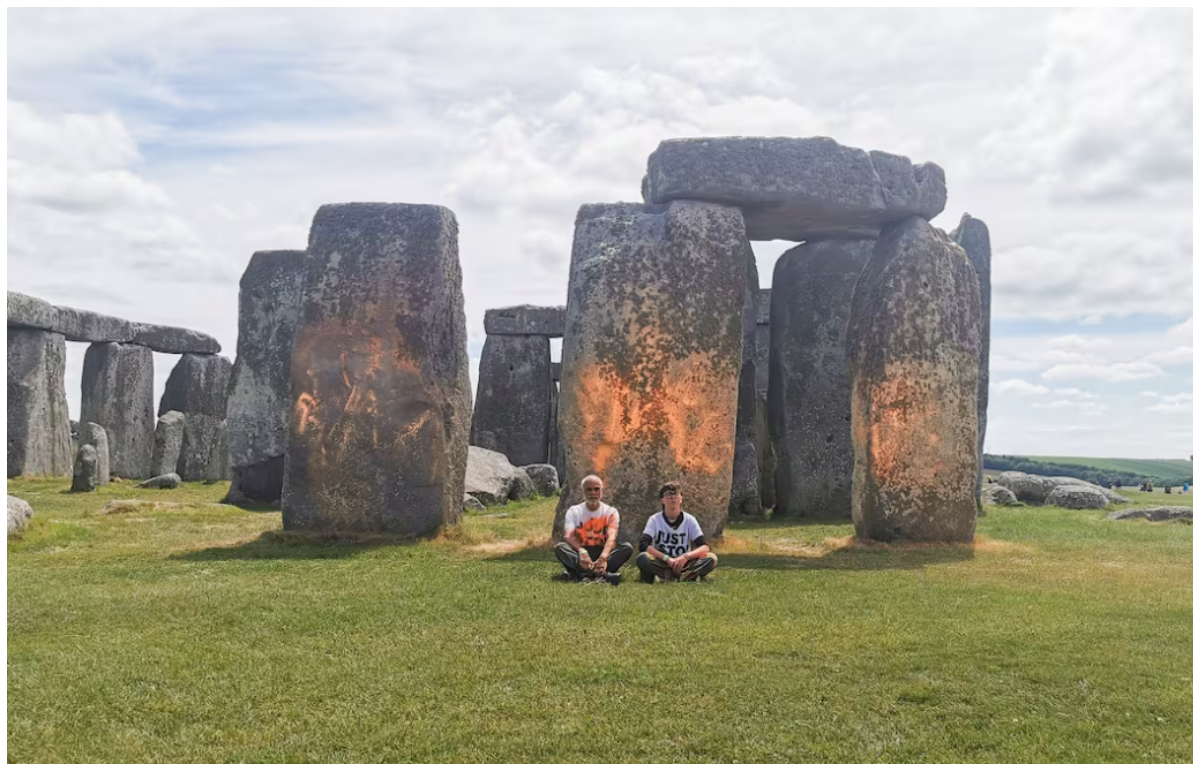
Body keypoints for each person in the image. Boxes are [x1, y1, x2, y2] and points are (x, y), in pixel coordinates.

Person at [554, 475, 632, 585]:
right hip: (580, 552)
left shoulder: (611, 512)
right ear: (583, 492)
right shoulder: (574, 511)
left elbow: (612, 537)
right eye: (589, 490)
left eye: (596, 489)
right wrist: (582, 552)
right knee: (560, 548)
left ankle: (580, 574)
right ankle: (602, 575)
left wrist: (603, 557)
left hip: (602, 551)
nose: (593, 493)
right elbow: (568, 536)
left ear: (601, 491)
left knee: (626, 547)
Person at [636, 480, 718, 583]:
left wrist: (685, 557)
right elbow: (643, 545)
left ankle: (683, 575)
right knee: (643, 558)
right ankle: (673, 576)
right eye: (669, 495)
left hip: (684, 563)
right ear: (662, 500)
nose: (673, 498)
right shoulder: (655, 519)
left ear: (681, 499)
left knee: (711, 558)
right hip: (663, 562)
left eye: (676, 494)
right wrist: (667, 559)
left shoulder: (689, 520)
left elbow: (704, 547)